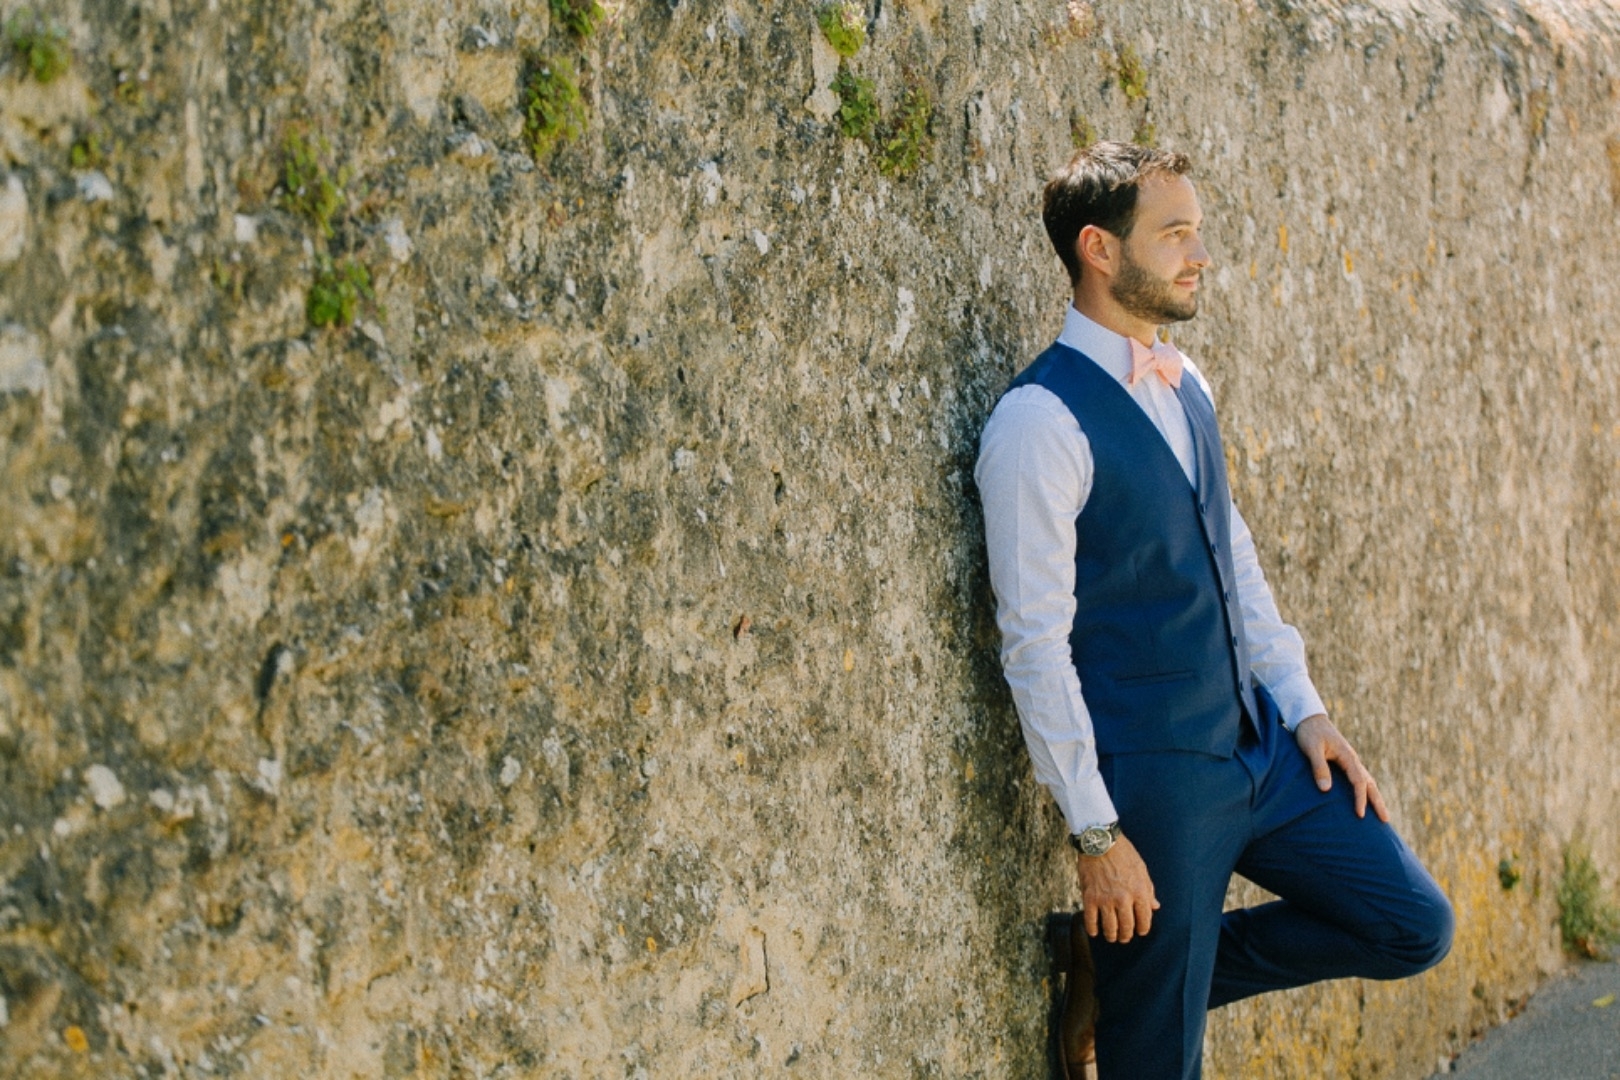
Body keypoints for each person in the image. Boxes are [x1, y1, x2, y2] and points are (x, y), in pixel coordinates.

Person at [973, 142, 1454, 1079]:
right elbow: (1032, 646)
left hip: (1260, 749)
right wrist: (1096, 833)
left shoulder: (1187, 382)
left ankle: (1125, 971)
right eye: (1176, 234)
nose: (1200, 255)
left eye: (1197, 231)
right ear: (1099, 249)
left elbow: (1234, 556)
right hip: (1158, 780)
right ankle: (1139, 984)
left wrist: (1304, 709)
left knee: (1410, 923)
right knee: (1160, 1065)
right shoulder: (1038, 424)